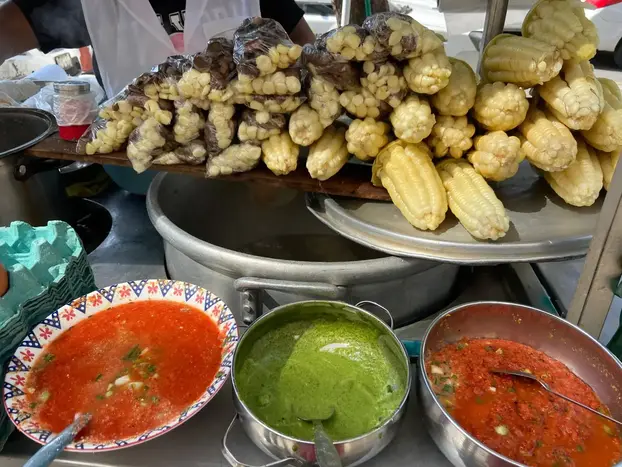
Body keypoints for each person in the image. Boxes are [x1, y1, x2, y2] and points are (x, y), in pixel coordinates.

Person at [0, 0, 316, 97]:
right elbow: (6, 28)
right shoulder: (86, 5)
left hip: (248, 179)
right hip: (138, 177)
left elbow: (307, 46)